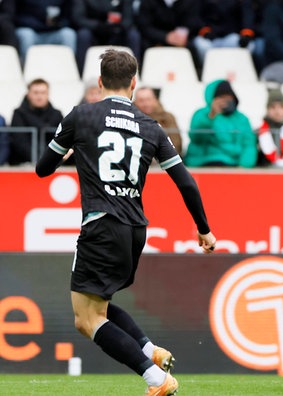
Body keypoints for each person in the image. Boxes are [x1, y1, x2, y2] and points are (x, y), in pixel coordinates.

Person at [34, 49, 216, 396]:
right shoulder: (151, 126)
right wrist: (203, 229)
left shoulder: (81, 116)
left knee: (85, 320)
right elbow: (186, 182)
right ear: (134, 84)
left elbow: (43, 168)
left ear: (100, 82)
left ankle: (155, 379)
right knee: (96, 306)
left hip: (101, 224)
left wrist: (69, 152)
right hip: (135, 229)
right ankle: (150, 351)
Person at [185, 79, 258, 167]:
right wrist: (211, 116)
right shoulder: (202, 114)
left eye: (229, 96)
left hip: (232, 165)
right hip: (202, 163)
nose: (225, 100)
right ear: (212, 98)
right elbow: (196, 138)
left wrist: (244, 166)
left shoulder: (242, 119)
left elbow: (248, 145)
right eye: (221, 97)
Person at [72, 0, 141, 74]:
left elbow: (128, 19)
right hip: (94, 32)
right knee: (83, 35)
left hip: (117, 31)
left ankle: (135, 73)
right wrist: (98, 25)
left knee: (133, 35)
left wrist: (117, 27)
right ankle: (81, 73)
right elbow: (78, 18)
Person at [9, 78, 63, 165]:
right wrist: (40, 160)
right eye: (36, 92)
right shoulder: (18, 114)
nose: (39, 96)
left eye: (43, 93)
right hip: (22, 166)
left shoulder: (57, 115)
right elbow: (19, 142)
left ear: (48, 94)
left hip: (52, 165)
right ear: (28, 94)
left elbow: (61, 141)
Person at [192, 0, 256, 66]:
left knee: (249, 45)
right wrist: (205, 31)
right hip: (209, 38)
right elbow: (196, 16)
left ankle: (236, 72)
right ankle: (209, 71)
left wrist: (246, 34)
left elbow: (247, 15)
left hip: (231, 37)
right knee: (201, 45)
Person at [133, 87, 183, 156]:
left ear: (155, 99)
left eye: (148, 99)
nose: (146, 104)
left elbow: (176, 144)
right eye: (141, 100)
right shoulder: (130, 117)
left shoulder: (167, 118)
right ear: (135, 102)